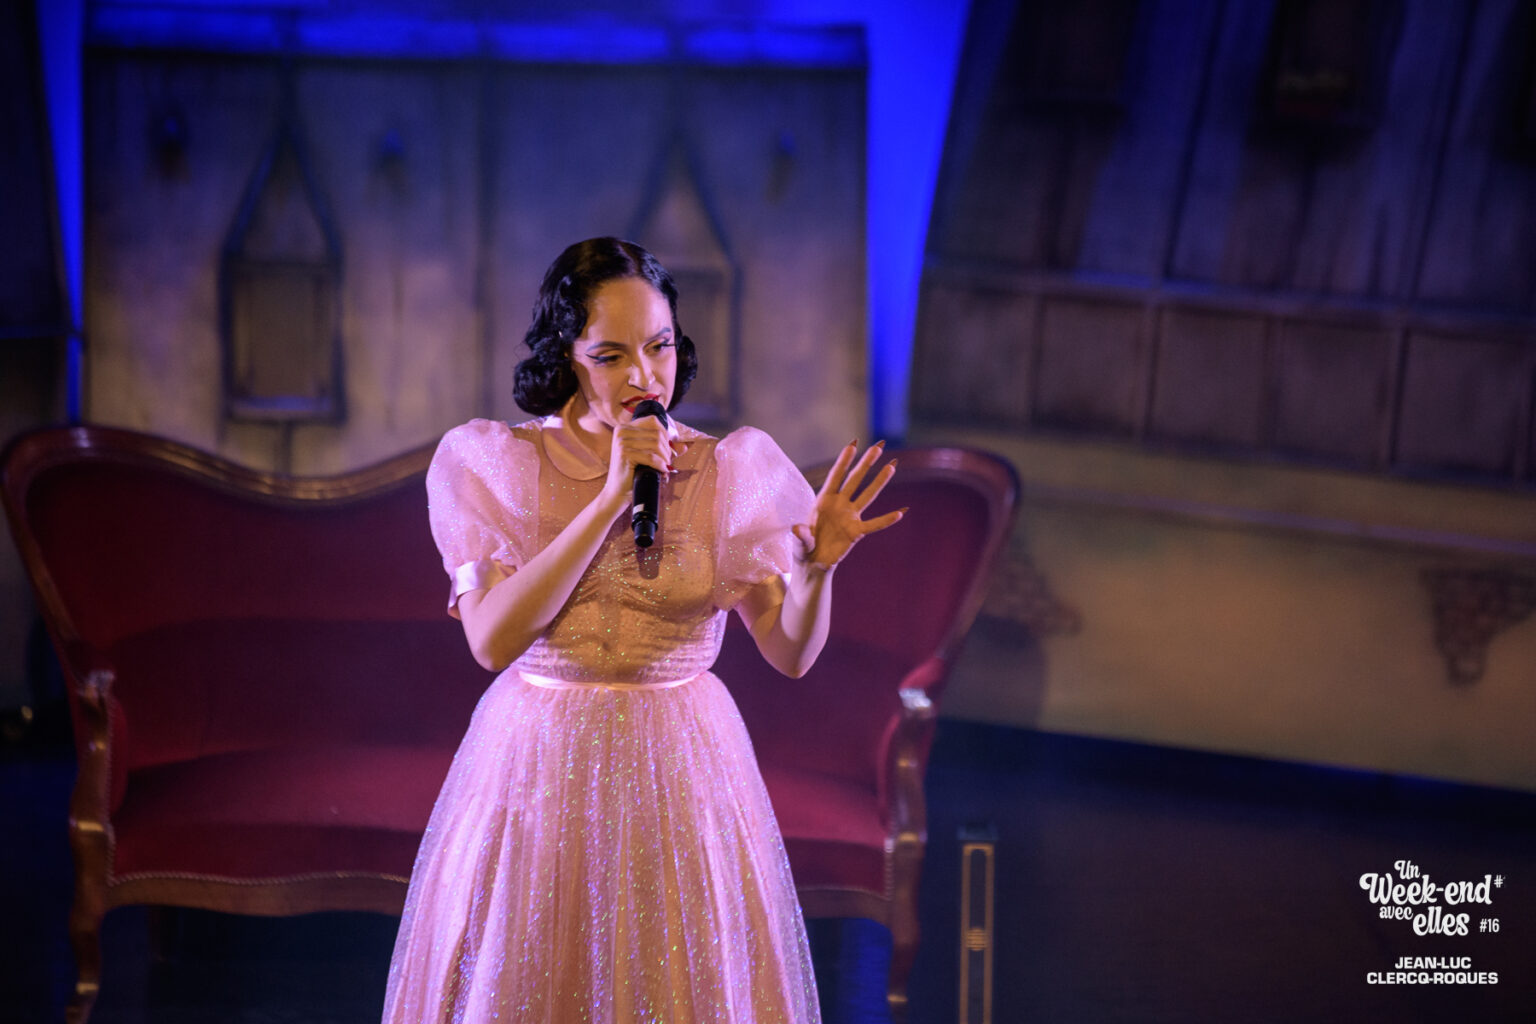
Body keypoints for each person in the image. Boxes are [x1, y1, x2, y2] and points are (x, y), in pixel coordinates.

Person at [382, 237, 902, 1023]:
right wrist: (610, 499)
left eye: (658, 347)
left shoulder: (728, 470)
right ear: (567, 354)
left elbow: (791, 652)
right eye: (611, 355)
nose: (643, 378)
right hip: (537, 766)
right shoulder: (493, 464)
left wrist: (818, 568)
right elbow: (490, 641)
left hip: (681, 769)